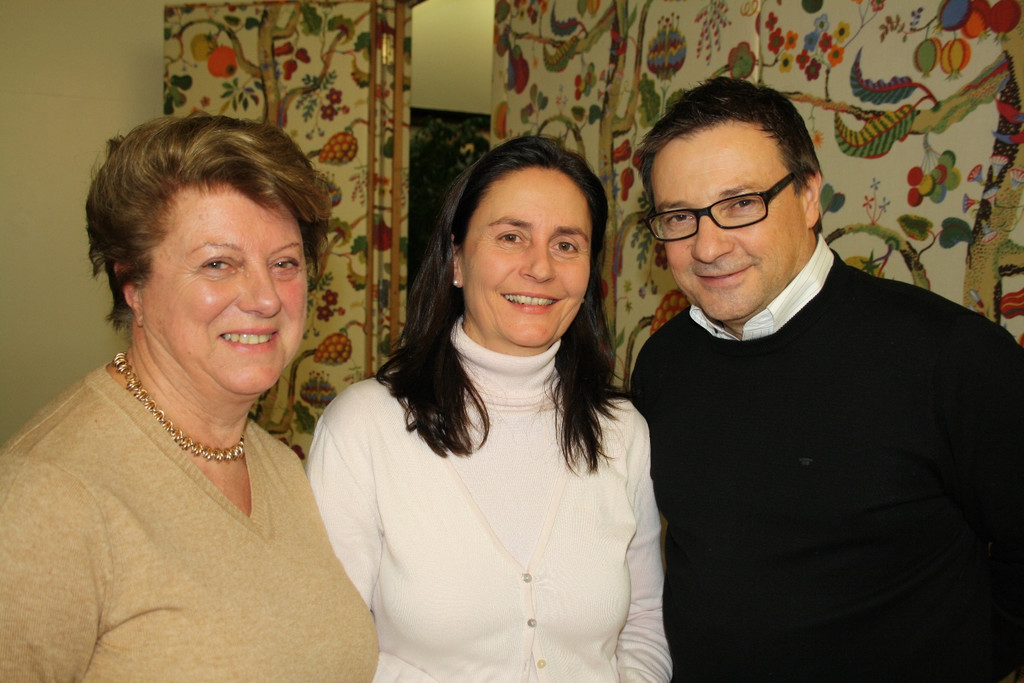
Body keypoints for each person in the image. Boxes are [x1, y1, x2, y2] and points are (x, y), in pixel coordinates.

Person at [631, 76, 1024, 682]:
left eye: (741, 204)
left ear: (809, 195)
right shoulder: (662, 364)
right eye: (680, 216)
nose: (707, 246)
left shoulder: (951, 357)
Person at [0, 114, 378, 679]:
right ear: (133, 285)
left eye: (284, 264)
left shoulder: (278, 466)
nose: (265, 298)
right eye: (218, 264)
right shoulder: (48, 498)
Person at [306, 135, 671, 681]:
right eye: (510, 237)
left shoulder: (621, 432)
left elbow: (644, 620)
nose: (540, 268)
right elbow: (332, 642)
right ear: (456, 259)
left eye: (566, 244)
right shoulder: (363, 428)